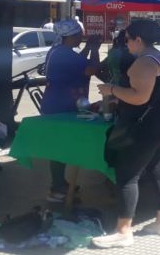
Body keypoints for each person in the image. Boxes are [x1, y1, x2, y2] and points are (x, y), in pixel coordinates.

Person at [92, 20, 160, 248]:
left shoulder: (144, 63)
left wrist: (111, 90)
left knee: (128, 175)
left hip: (146, 125)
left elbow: (139, 97)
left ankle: (123, 231)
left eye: (128, 38)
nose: (126, 43)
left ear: (138, 39)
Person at [40, 19, 102, 202]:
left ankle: (60, 183)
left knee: (61, 146)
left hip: (59, 105)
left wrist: (89, 48)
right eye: (80, 35)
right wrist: (96, 49)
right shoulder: (63, 55)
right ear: (71, 36)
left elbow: (79, 61)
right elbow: (91, 68)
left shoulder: (61, 52)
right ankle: (56, 188)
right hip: (60, 108)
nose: (81, 38)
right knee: (60, 148)